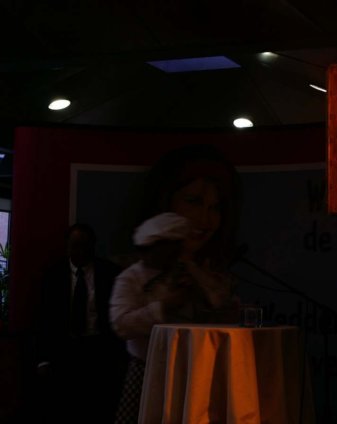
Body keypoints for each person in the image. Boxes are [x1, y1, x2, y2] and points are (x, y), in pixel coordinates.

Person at [110, 144, 243, 423]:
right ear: (151, 247)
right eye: (168, 246)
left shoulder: (190, 270)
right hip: (146, 368)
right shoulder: (130, 277)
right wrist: (163, 307)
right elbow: (121, 324)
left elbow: (220, 302)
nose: (174, 252)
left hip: (190, 368)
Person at [34, 222, 129, 424]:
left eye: (85, 245)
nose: (80, 250)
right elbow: (44, 319)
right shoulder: (53, 275)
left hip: (99, 349)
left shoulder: (110, 273)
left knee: (98, 407)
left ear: (93, 246)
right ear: (67, 246)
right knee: (66, 407)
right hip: (64, 349)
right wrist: (43, 358)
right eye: (75, 245)